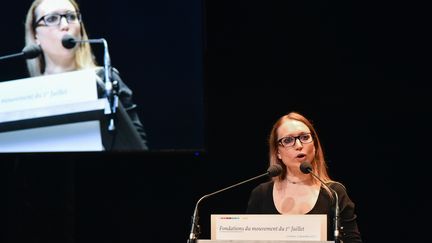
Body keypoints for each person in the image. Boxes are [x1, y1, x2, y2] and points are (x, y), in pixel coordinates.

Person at [24, 0, 148, 150]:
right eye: (52, 19)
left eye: (71, 17)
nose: (64, 25)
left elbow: (137, 145)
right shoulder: (26, 93)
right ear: (35, 35)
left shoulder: (105, 79)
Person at [247, 112, 362, 243]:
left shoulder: (334, 194)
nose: (299, 145)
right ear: (277, 152)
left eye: (305, 137)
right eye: (288, 140)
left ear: (315, 146)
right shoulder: (261, 194)